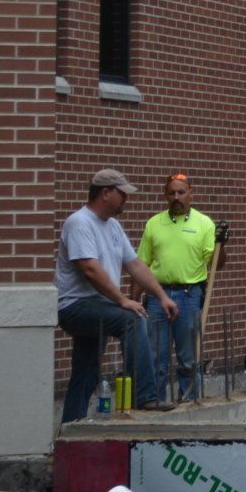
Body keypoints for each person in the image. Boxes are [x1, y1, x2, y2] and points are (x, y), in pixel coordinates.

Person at [56, 168, 177, 423]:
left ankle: (69, 429)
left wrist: (161, 296)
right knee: (131, 319)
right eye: (122, 194)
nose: (126, 200)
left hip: (98, 306)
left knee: (86, 373)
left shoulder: (112, 226)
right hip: (75, 306)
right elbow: (90, 269)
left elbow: (135, 265)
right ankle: (145, 395)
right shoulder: (79, 223)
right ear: (105, 193)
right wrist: (122, 300)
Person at [136, 172, 221, 406]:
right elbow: (142, 264)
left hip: (189, 295)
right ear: (165, 195)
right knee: (155, 358)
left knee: (188, 357)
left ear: (190, 194)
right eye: (172, 193)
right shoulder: (154, 223)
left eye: (181, 192)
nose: (176, 197)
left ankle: (189, 404)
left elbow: (217, 263)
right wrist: (132, 299)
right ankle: (154, 404)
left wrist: (221, 244)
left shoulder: (204, 224)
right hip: (156, 296)